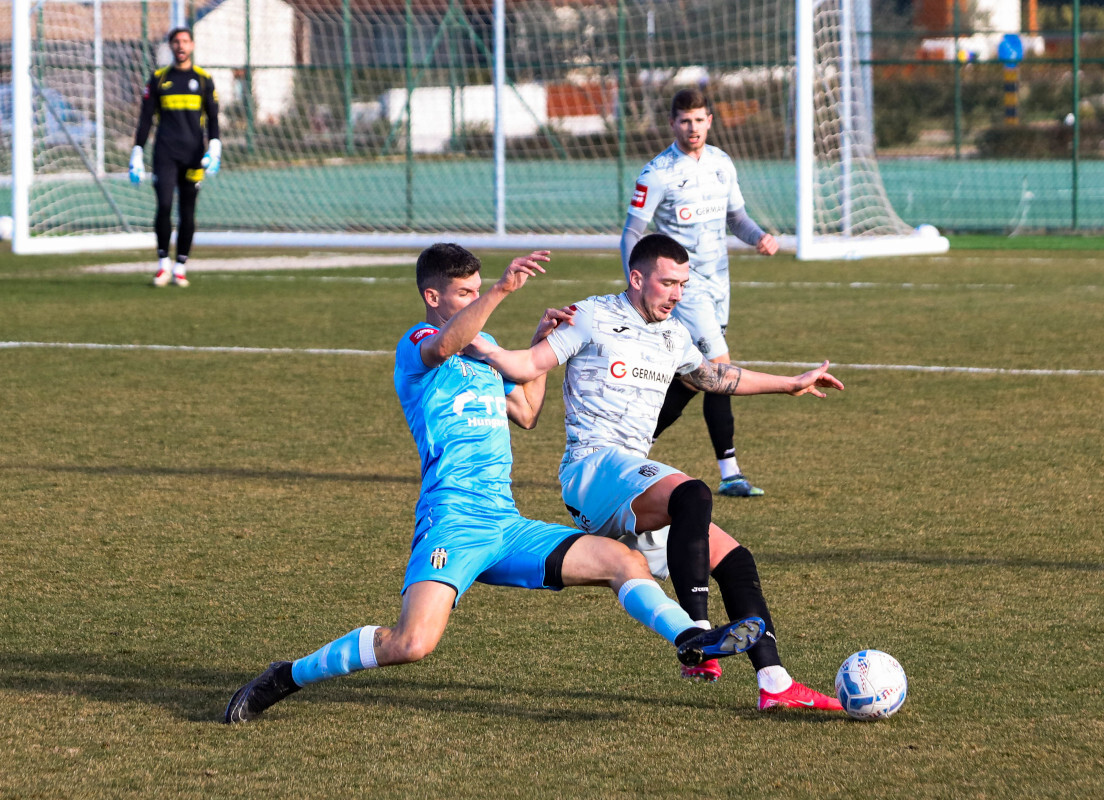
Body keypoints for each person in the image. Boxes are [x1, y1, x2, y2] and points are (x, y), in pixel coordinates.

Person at [223, 244, 764, 723]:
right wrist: (506, 289)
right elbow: (443, 347)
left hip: (505, 523)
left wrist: (542, 344)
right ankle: (286, 675)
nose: (475, 300)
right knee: (411, 643)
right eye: (464, 293)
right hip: (452, 522)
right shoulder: (419, 344)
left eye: (479, 290)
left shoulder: (483, 357)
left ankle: (694, 639)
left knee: (623, 562)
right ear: (432, 297)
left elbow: (527, 411)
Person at [467, 234, 845, 712]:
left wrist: (789, 383)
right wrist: (468, 337)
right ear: (637, 277)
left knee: (734, 559)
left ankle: (775, 683)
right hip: (592, 469)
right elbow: (524, 365)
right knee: (692, 493)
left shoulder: (674, 334)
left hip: (632, 483)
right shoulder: (590, 316)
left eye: (683, 284)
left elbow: (714, 377)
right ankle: (698, 635)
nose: (677, 294)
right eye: (668, 283)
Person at [620, 88, 779, 497]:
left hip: (719, 282)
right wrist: (634, 283)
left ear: (710, 120)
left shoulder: (723, 164)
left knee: (695, 379)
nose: (693, 127)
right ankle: (730, 473)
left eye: (699, 119)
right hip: (683, 288)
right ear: (673, 123)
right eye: (685, 120)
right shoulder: (657, 173)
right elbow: (632, 233)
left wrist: (758, 236)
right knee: (721, 368)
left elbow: (737, 219)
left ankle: (630, 447)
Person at [129, 27, 221, 288]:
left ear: (191, 45)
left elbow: (213, 117)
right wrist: (137, 150)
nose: (180, 46)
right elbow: (146, 118)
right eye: (176, 42)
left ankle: (180, 266)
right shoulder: (158, 79)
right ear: (170, 46)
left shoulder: (203, 80)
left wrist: (214, 146)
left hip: (193, 156)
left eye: (185, 41)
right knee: (165, 206)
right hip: (165, 154)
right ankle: (162, 265)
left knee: (188, 212)